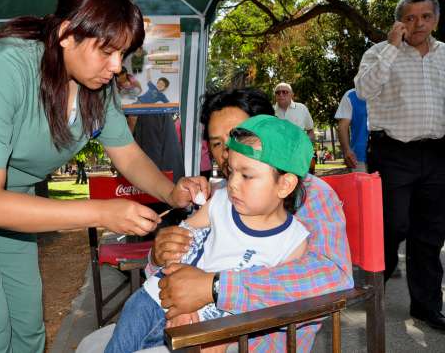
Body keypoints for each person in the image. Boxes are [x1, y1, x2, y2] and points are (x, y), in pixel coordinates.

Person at [0, 0, 206, 352]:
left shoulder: (96, 87)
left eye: (122, 53)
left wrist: (172, 191)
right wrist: (101, 211)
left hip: (10, 194)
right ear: (66, 34)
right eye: (107, 51)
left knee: (26, 323)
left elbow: (128, 154)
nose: (117, 67)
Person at [149, 88, 353, 351]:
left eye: (236, 135)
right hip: (178, 322)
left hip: (255, 339)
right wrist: (159, 256)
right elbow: (179, 270)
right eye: (217, 143)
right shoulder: (224, 194)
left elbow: (332, 278)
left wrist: (215, 287)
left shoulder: (307, 193)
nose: (226, 152)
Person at [106, 115, 314, 353]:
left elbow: (268, 296)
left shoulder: (293, 241)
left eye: (246, 175)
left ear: (285, 185)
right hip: (151, 302)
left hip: (207, 332)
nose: (233, 183)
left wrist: (222, 334)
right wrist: (165, 256)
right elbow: (183, 240)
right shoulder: (221, 202)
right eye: (231, 172)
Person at [355, 0, 445, 330]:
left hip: (437, 154)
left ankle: (426, 306)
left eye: (425, 16)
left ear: (435, 19)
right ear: (399, 23)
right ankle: (372, 291)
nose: (418, 23)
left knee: (430, 234)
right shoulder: (379, 53)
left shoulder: (444, 56)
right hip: (393, 153)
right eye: (410, 18)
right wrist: (391, 47)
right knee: (392, 226)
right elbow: (363, 90)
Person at [334, 89, 368, 172]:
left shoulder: (390, 90)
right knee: (363, 184)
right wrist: (346, 150)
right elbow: (343, 126)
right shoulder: (351, 95)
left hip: (390, 154)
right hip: (359, 157)